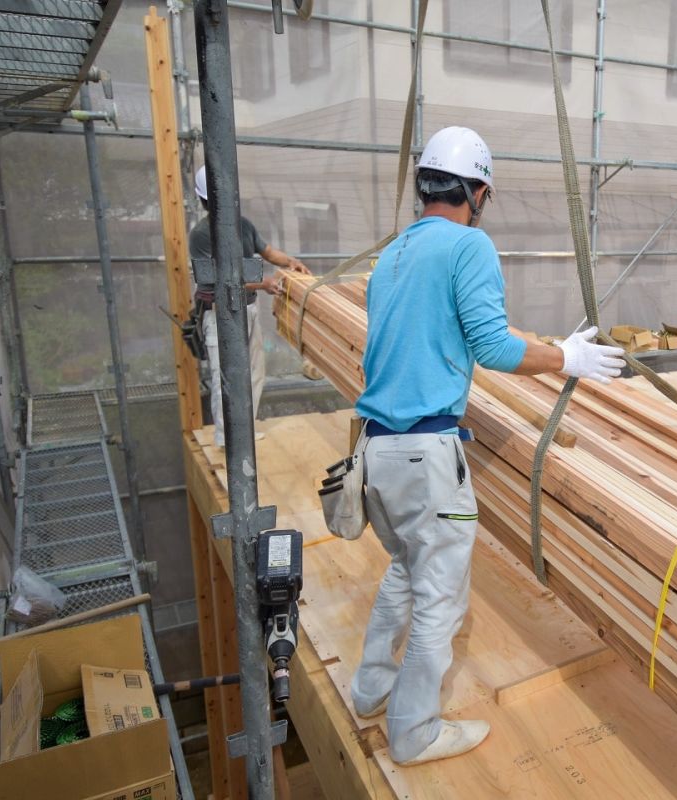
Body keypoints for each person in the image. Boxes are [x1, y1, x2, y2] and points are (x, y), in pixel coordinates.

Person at [348, 126, 624, 766]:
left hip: (377, 451)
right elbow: (495, 349)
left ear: (423, 184)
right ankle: (413, 732)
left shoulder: (391, 256)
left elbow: (415, 341)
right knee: (440, 594)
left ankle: (370, 688)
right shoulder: (469, 245)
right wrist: (567, 357)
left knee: (404, 571)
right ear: (477, 191)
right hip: (427, 456)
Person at [188, 166, 311, 447]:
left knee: (255, 372)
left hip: (248, 309)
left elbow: (267, 251)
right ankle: (226, 440)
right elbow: (219, 282)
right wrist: (263, 284)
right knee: (226, 380)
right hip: (220, 315)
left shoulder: (243, 226)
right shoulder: (202, 236)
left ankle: (243, 432)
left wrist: (289, 261)